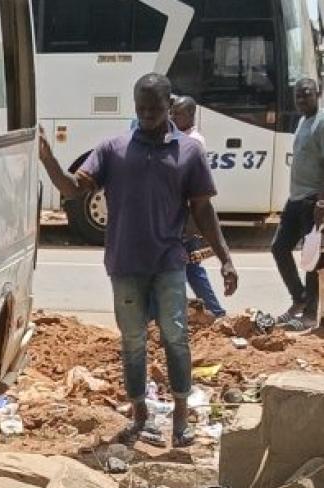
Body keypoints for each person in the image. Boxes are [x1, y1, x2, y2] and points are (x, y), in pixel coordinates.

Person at [38, 73, 238, 448]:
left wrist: (225, 259)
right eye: (141, 108)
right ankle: (139, 416)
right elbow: (72, 188)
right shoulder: (113, 150)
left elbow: (204, 209)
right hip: (125, 264)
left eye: (155, 108)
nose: (147, 115)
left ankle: (180, 419)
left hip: (169, 262)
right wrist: (49, 161)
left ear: (170, 108)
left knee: (175, 336)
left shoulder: (189, 152)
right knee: (132, 341)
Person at [271, 78, 324, 326]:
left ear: (318, 94)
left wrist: (322, 203)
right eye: (298, 96)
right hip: (296, 199)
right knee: (279, 247)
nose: (302, 100)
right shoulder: (303, 120)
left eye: (307, 95)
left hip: (314, 200)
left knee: (312, 258)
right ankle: (299, 297)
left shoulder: (321, 122)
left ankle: (311, 314)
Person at [169, 95, 227, 318]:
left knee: (183, 267)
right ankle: (216, 312)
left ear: (191, 116)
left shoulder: (194, 142)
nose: (173, 117)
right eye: (172, 113)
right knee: (193, 268)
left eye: (178, 114)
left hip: (186, 215)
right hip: (180, 214)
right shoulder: (177, 137)